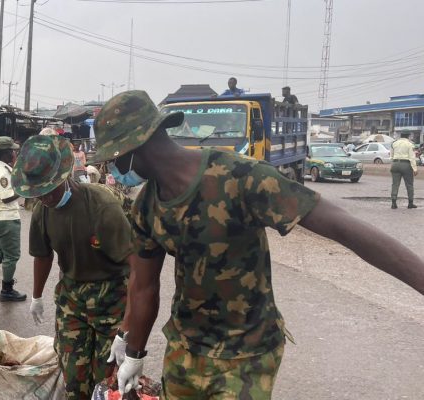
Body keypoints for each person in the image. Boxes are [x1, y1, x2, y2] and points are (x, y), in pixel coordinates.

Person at [90, 91, 424, 399]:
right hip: (185, 349)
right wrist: (132, 347)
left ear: (138, 147)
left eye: (115, 158)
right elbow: (143, 285)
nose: (113, 169)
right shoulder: (146, 206)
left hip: (246, 353)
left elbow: (342, 226)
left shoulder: (240, 177)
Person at [13, 135, 134, 399]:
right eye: (38, 193)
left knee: (107, 381)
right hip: (71, 300)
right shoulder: (42, 212)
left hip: (111, 298)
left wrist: (128, 327)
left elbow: (136, 267)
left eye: (49, 190)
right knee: (73, 380)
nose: (44, 198)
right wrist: (36, 296)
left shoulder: (101, 206)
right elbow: (42, 255)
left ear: (64, 177)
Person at [0, 136, 27, 302]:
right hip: (6, 218)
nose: (15, 153)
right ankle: (7, 290)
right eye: (13, 151)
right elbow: (7, 197)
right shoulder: (3, 173)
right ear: (6, 153)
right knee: (12, 256)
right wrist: (24, 190)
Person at [390, 135, 418, 209]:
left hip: (395, 164)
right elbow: (412, 157)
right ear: (408, 136)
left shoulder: (394, 143)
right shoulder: (410, 144)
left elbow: (391, 156)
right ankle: (410, 203)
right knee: (409, 184)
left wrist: (393, 164)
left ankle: (393, 203)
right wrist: (414, 168)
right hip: (406, 164)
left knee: (395, 184)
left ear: (400, 136)